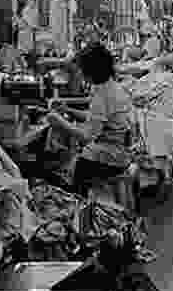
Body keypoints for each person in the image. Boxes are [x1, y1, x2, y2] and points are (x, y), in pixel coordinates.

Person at [46, 44, 134, 198]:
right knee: (74, 160)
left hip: (114, 157)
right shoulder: (110, 87)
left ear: (91, 70)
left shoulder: (103, 95)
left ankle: (78, 203)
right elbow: (96, 119)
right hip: (119, 149)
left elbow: (87, 136)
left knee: (77, 169)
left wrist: (59, 121)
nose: (79, 72)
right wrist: (69, 111)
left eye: (81, 69)